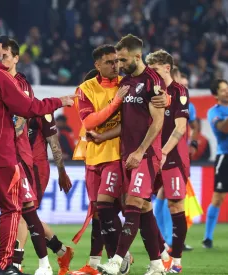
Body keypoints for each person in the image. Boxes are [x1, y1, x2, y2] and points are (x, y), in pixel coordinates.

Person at [0, 29, 74, 275]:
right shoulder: (0, 77)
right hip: (0, 156)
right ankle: (6, 265)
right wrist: (59, 101)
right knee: (11, 209)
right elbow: (29, 108)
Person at [1, 38, 73, 275]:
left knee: (23, 210)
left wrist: (62, 171)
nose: (1, 60)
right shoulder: (0, 87)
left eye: (5, 56)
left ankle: (17, 262)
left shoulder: (31, 99)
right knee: (26, 214)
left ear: (16, 59)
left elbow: (53, 139)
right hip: (10, 162)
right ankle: (61, 251)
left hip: (35, 165)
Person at [97, 34, 167, 275]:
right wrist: (102, 137)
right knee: (143, 208)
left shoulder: (152, 81)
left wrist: (139, 151)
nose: (119, 64)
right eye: (117, 60)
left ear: (138, 56)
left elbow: (157, 123)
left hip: (146, 155)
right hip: (128, 154)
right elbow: (126, 123)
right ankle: (158, 264)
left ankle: (117, 261)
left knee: (134, 204)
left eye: (123, 59)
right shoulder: (125, 82)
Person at [71, 45, 132, 275]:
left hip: (117, 155)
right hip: (94, 157)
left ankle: (120, 256)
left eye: (117, 61)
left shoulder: (127, 85)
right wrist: (116, 102)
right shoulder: (86, 88)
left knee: (112, 207)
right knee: (98, 211)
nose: (115, 66)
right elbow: (89, 122)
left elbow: (127, 122)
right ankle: (95, 264)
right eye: (109, 62)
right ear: (97, 64)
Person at [146, 49, 190, 273]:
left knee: (175, 205)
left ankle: (177, 261)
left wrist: (162, 152)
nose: (150, 74)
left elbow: (180, 128)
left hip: (171, 157)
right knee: (139, 205)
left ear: (166, 67)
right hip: (149, 156)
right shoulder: (149, 91)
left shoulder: (179, 91)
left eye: (154, 70)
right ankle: (162, 251)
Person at [203, 79, 228, 249]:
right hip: (224, 157)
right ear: (215, 94)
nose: (226, 92)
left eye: (227, 89)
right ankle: (208, 237)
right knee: (218, 198)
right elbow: (224, 129)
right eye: (223, 90)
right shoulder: (214, 112)